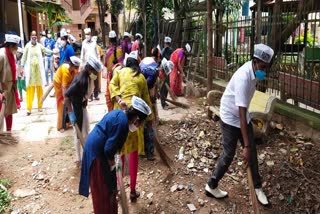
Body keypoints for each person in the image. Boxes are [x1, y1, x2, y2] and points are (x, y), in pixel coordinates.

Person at [205, 44, 274, 206]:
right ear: (255, 61)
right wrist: (246, 146)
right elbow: (241, 114)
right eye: (263, 67)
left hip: (243, 115)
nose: (264, 71)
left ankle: (257, 187)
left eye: (266, 68)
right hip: (230, 116)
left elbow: (244, 113)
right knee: (229, 154)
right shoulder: (244, 77)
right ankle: (211, 185)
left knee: (252, 152)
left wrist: (249, 146)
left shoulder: (255, 72)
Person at [79, 96, 151, 214]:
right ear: (136, 119)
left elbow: (114, 145)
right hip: (97, 153)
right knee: (103, 189)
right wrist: (113, 164)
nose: (139, 126)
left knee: (109, 186)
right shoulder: (122, 124)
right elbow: (108, 149)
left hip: (96, 146)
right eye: (140, 123)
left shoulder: (119, 113)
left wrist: (116, 162)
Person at [109, 50, 153, 202]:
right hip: (135, 119)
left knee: (119, 153)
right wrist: (149, 121)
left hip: (119, 117)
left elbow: (111, 85)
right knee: (133, 155)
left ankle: (119, 187)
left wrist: (119, 98)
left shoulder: (119, 72)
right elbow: (146, 100)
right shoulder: (140, 77)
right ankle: (133, 191)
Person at [64, 55, 102, 166]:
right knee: (78, 131)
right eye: (95, 72)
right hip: (75, 107)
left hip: (82, 104)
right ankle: (78, 158)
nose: (96, 75)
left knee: (86, 130)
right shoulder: (81, 80)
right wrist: (71, 113)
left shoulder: (90, 79)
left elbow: (87, 93)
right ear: (89, 69)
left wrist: (85, 100)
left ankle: (86, 152)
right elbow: (67, 95)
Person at [21, 31, 52, 116]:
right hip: (31, 73)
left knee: (39, 90)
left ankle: (40, 106)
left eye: (35, 35)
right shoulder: (27, 46)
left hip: (38, 72)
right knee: (30, 91)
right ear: (30, 36)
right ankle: (29, 108)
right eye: (32, 35)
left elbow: (45, 50)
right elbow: (24, 57)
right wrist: (22, 66)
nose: (34, 37)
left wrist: (52, 52)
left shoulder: (39, 46)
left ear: (36, 37)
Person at [53, 56, 81, 132]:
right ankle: (60, 126)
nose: (77, 70)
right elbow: (64, 87)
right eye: (76, 68)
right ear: (72, 66)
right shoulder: (66, 71)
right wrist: (66, 98)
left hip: (67, 84)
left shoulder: (74, 70)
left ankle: (67, 123)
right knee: (62, 104)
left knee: (69, 103)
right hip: (58, 84)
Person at [0, 34, 21, 131]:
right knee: (1, 112)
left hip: (10, 88)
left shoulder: (12, 54)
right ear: (10, 45)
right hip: (2, 90)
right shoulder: (1, 55)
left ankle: (8, 132)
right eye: (16, 46)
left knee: (8, 112)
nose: (17, 48)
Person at [105, 31, 123, 112]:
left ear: (109, 41)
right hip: (120, 76)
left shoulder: (108, 52)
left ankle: (112, 112)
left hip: (111, 77)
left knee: (110, 97)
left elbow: (107, 66)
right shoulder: (121, 50)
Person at [80, 28, 100, 101]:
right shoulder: (83, 43)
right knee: (89, 80)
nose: (87, 36)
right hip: (87, 65)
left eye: (88, 34)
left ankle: (96, 94)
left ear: (90, 34)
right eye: (86, 34)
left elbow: (97, 53)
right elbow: (82, 54)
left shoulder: (94, 42)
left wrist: (99, 62)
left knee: (95, 79)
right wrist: (81, 64)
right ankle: (90, 96)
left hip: (94, 65)